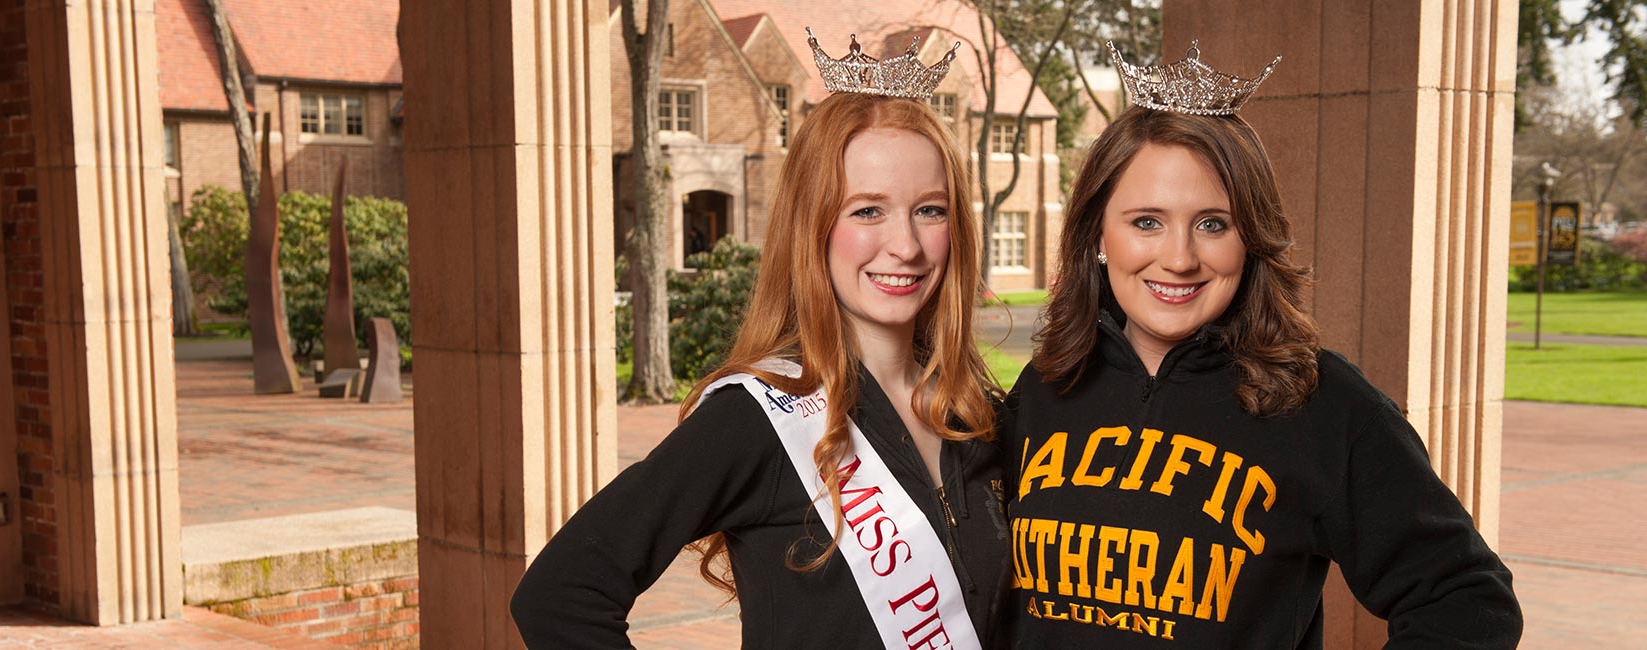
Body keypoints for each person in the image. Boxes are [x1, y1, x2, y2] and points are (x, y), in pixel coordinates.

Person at [1002, 42, 1522, 648]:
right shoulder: (1045, 387)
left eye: (1212, 224)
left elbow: (1467, 598)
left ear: (1250, 239)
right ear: (1097, 234)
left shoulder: (1324, 405)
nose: (1178, 258)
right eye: (1147, 221)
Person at [512, 33, 1009, 649]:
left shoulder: (978, 418)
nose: (905, 246)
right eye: (867, 211)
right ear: (813, 226)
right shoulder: (762, 417)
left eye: (930, 210)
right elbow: (560, 594)